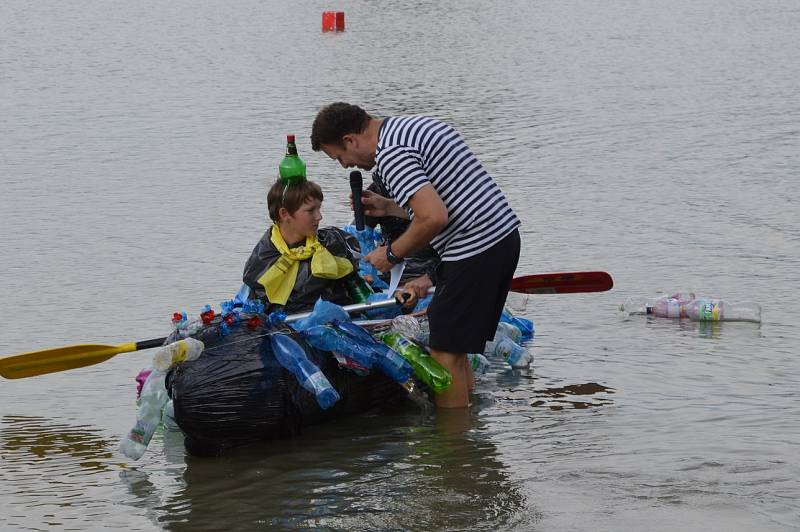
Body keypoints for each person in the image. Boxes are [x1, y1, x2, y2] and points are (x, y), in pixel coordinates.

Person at [311, 103, 521, 408]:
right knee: (454, 349)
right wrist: (389, 208)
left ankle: (454, 444)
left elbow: (433, 217)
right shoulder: (409, 128)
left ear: (350, 140)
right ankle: (469, 424)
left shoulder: (391, 155)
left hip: (475, 245)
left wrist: (392, 254)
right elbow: (446, 201)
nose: (345, 165)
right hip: (499, 236)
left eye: (339, 157)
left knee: (444, 354)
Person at [242, 178, 361, 315]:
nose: (319, 216)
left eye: (319, 208)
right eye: (311, 211)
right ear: (284, 214)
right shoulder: (264, 257)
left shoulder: (331, 243)